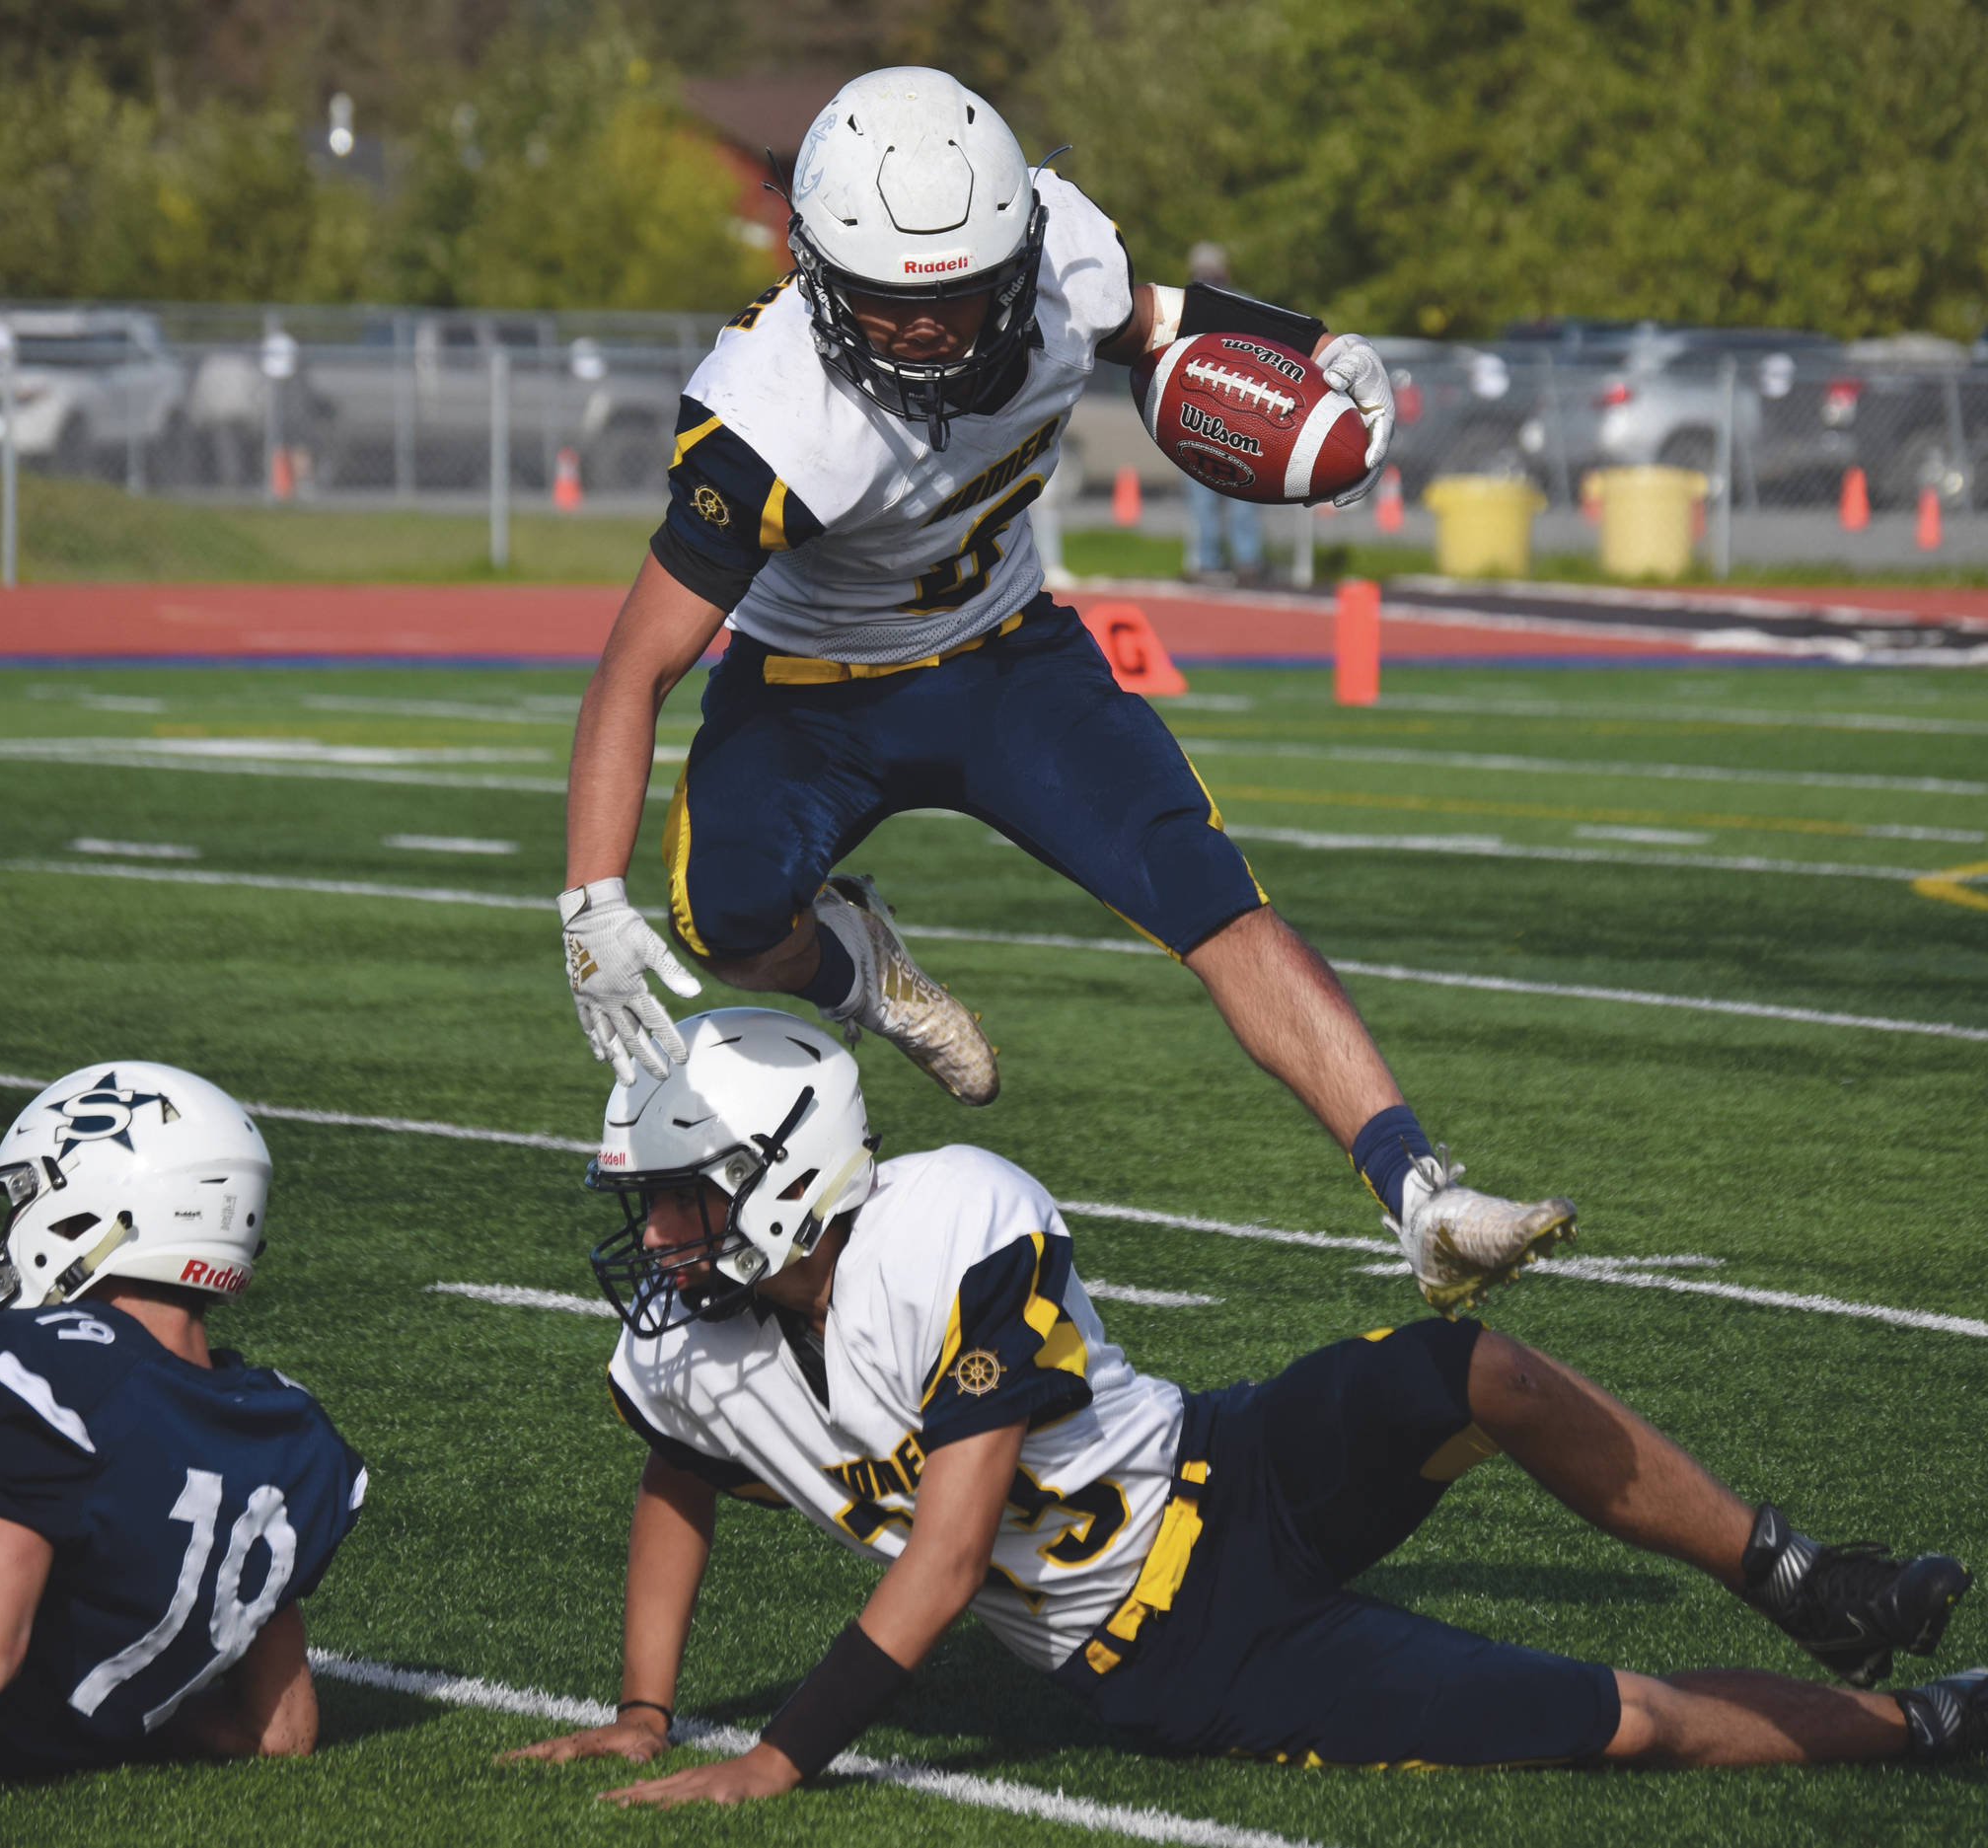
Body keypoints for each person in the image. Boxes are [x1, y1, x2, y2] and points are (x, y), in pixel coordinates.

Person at [555, 64, 1572, 1318]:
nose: (925, 329)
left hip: (1008, 663)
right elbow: (633, 664)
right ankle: (864, 971)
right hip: (809, 698)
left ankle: (1420, 1194)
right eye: (884, 303)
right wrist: (587, 900)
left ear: (1017, 254)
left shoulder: (1063, 259)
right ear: (817, 275)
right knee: (722, 918)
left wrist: (1299, 346)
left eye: (960, 293)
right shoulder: (770, 419)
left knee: (1208, 895)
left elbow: (1157, 319)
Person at [506, 1010, 1982, 1808]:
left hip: (1228, 1465)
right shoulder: (690, 1347)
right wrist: (646, 1710)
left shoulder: (949, 1217)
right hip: (1181, 1653)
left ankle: (1806, 1579)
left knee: (1476, 1371)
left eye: (685, 1200)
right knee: (1611, 1715)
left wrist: (778, 1755)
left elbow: (946, 1562)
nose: (658, 1239)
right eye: (651, 1206)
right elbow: (678, 1475)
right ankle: (1918, 1724)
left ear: (787, 1174)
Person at [0, 1064, 367, 1779]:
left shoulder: (39, 1372)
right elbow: (280, 1730)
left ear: (97, 1215)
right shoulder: (287, 1431)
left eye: (28, 1196)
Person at [1181, 241, 1268, 586]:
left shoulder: (1242, 306)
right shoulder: (1185, 308)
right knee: (1205, 495)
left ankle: (1244, 560)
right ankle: (1209, 559)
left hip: (1237, 414)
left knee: (1241, 491)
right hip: (1198, 413)